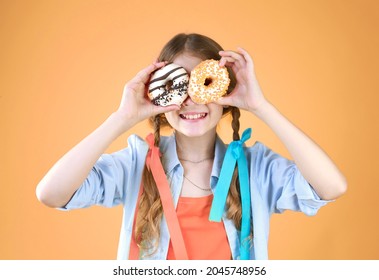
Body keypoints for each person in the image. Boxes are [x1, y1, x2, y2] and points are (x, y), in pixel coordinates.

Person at [36, 33, 347, 260]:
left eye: (202, 85)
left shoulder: (255, 169)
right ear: (159, 96)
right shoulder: (136, 163)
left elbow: (331, 186)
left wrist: (261, 105)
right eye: (176, 86)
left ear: (224, 93)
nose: (191, 100)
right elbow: (51, 193)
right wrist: (122, 117)